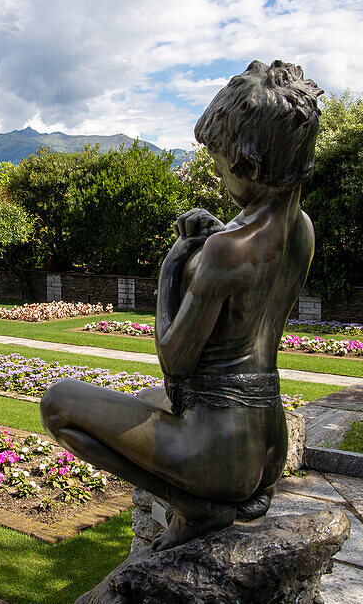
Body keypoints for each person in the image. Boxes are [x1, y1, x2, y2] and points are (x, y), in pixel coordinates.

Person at [40, 60, 321, 550]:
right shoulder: (302, 231)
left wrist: (173, 266)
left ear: (247, 165)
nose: (214, 171)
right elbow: (251, 258)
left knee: (59, 405)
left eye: (217, 160)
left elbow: (175, 359)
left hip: (219, 451)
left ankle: (197, 506)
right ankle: (242, 495)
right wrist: (217, 234)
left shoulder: (226, 251)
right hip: (267, 442)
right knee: (148, 400)